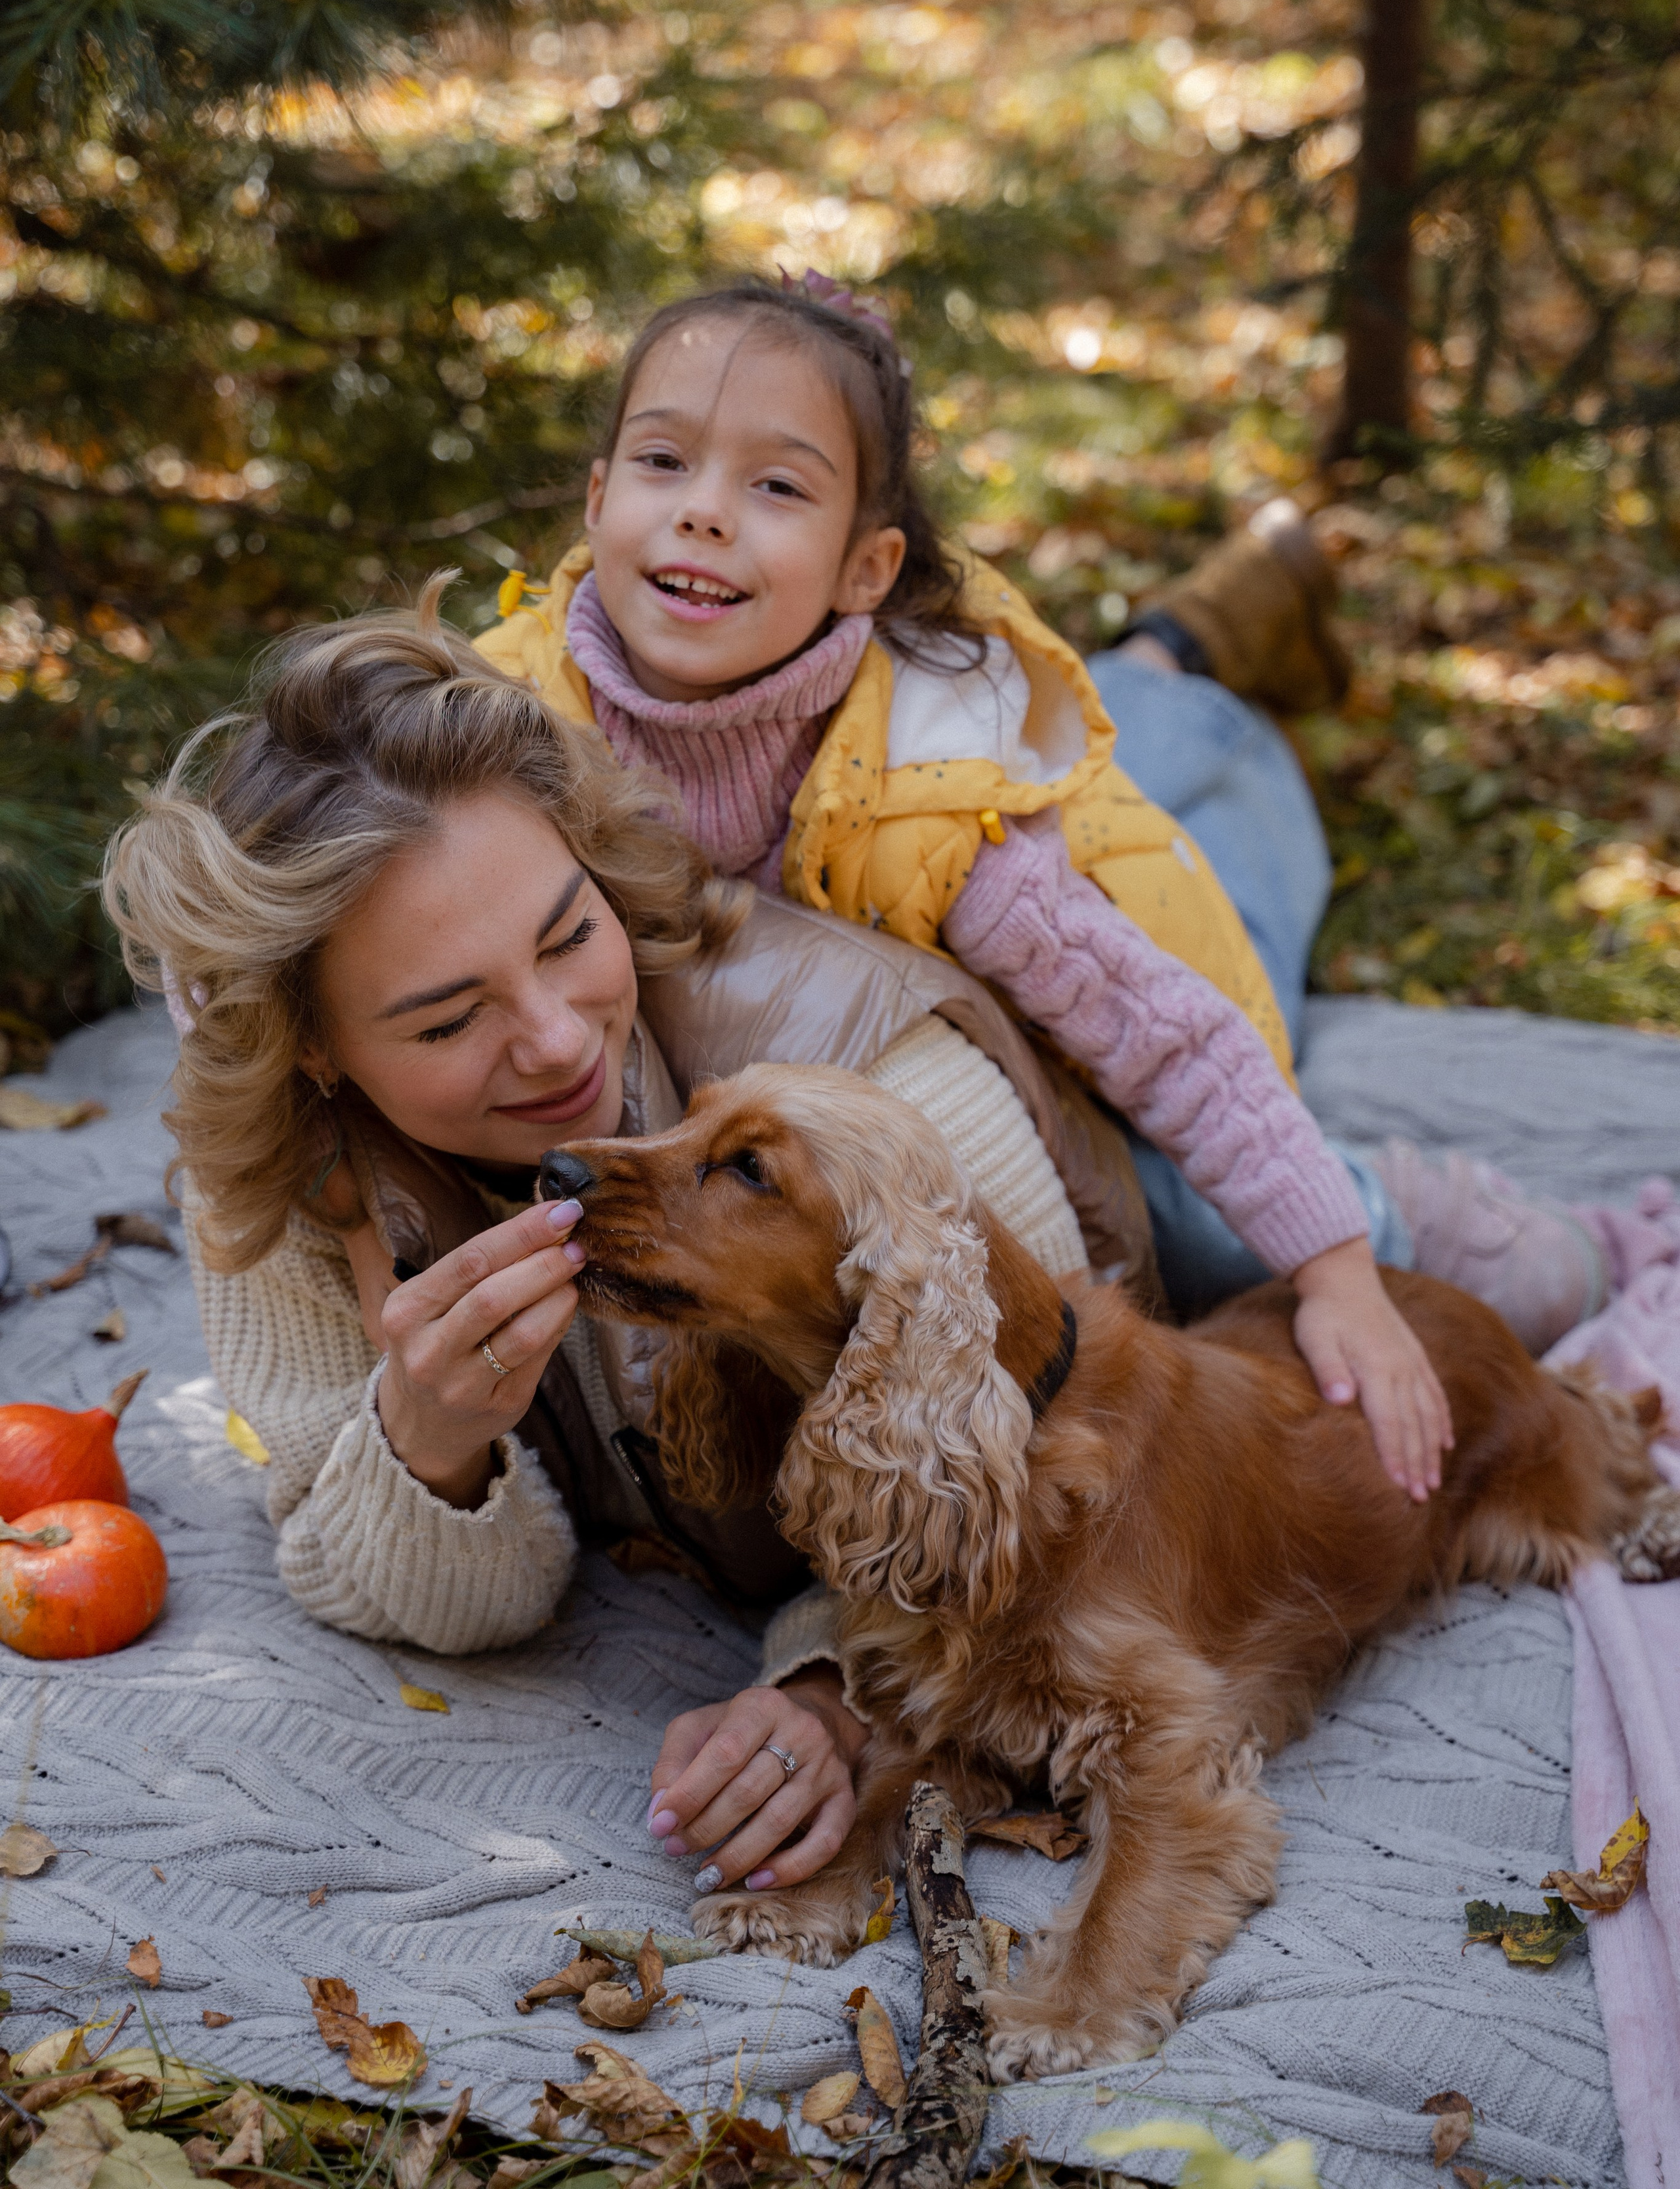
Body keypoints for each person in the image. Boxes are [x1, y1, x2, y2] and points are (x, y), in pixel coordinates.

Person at [477, 276, 1608, 1505]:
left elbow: (1165, 1035)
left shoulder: (945, 793)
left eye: (777, 486)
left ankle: (1198, 693)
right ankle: (1179, 636)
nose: (702, 514)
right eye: (663, 462)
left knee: (1202, 1211)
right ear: (595, 503)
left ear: (867, 568)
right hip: (813, 1051)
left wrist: (1339, 1270)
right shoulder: (508, 729)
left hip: (1034, 1010)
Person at [103, 591, 1144, 1901]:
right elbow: (377, 1575)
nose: (552, 1040)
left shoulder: (871, 1080)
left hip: (1097, 983)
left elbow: (1051, 1479)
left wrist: (835, 1682)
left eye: (568, 936)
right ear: (312, 1049)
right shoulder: (287, 1185)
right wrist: (429, 1443)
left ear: (593, 858)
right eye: (442, 1023)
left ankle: (1172, 657)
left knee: (1186, 799)